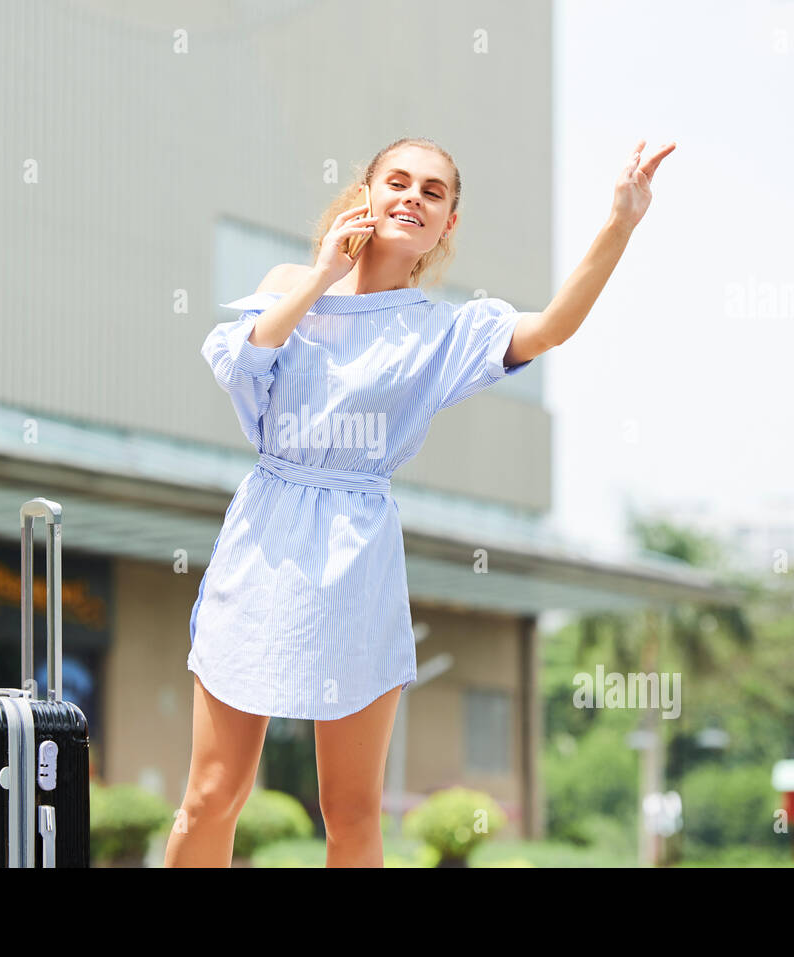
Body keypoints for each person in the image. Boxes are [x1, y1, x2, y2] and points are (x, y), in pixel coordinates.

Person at [166, 136, 675, 868]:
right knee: (212, 793)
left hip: (358, 559)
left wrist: (619, 225)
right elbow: (241, 360)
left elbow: (553, 325)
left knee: (351, 813)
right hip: (266, 536)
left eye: (433, 192)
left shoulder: (444, 330)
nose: (413, 196)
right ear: (365, 196)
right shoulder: (292, 280)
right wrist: (322, 277)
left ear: (448, 225)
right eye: (397, 182)